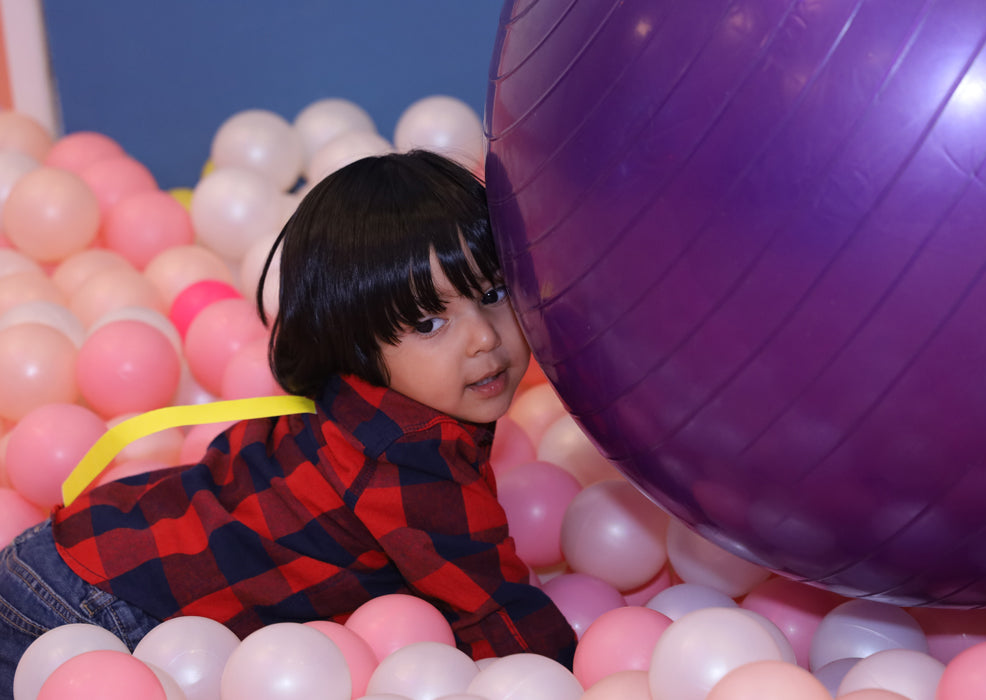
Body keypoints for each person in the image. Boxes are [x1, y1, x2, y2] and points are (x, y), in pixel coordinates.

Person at [0, 150, 577, 691]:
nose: (484, 338)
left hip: (72, 551)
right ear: (354, 341)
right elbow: (498, 610)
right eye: (429, 323)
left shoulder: (360, 397)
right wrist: (570, 677)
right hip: (91, 610)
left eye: (495, 291)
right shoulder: (410, 458)